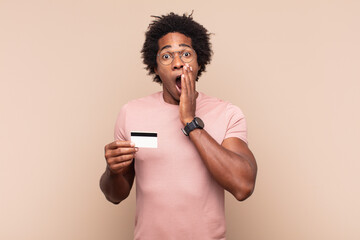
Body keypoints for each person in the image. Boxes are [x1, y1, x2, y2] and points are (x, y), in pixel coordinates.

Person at [100, 12, 257, 239]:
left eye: (185, 53)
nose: (177, 63)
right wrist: (112, 171)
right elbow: (115, 195)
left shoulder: (227, 113)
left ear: (199, 61)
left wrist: (190, 122)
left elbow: (243, 186)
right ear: (155, 68)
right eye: (166, 56)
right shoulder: (131, 113)